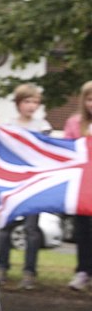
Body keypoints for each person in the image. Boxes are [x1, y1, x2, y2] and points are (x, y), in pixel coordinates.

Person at [0, 84, 51, 290]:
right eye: (27, 101)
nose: (31, 106)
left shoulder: (43, 126)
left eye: (35, 102)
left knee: (31, 229)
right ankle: (1, 268)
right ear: (19, 103)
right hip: (11, 183)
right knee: (5, 227)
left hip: (32, 184)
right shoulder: (9, 126)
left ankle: (29, 272)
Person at [63, 80, 92, 291]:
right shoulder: (75, 123)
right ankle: (82, 271)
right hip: (83, 190)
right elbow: (66, 152)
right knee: (82, 230)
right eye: (90, 99)